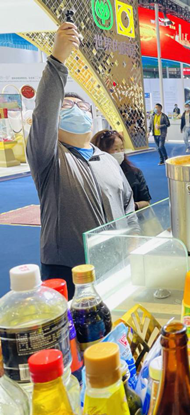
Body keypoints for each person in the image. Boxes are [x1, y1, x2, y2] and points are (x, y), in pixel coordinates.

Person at [27, 23, 136, 298]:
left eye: (83, 106)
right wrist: (57, 60)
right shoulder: (49, 158)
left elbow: (128, 207)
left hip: (115, 262)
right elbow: (44, 113)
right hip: (68, 268)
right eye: (67, 106)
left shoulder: (107, 160)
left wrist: (133, 245)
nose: (76, 109)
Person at [92, 130, 152, 210]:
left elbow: (146, 201)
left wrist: (132, 206)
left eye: (122, 148)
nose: (120, 152)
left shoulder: (135, 173)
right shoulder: (93, 176)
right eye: (115, 149)